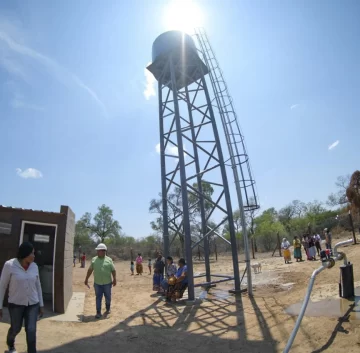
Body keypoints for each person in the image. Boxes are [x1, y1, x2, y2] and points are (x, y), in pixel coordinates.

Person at [0, 242, 44, 353]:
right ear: (25, 253)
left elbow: (38, 285)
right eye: (32, 253)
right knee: (16, 328)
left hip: (33, 303)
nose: (34, 256)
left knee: (31, 330)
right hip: (16, 304)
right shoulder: (10, 265)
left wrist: (41, 304)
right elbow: (2, 286)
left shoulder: (34, 266)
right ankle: (11, 345)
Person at [84, 243, 117, 319]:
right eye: (97, 251)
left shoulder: (109, 260)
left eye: (99, 251)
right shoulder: (94, 259)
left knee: (108, 297)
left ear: (104, 251)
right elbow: (90, 270)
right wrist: (86, 279)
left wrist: (114, 279)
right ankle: (98, 312)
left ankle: (108, 308)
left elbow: (113, 270)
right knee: (98, 297)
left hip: (107, 283)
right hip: (97, 284)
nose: (98, 252)